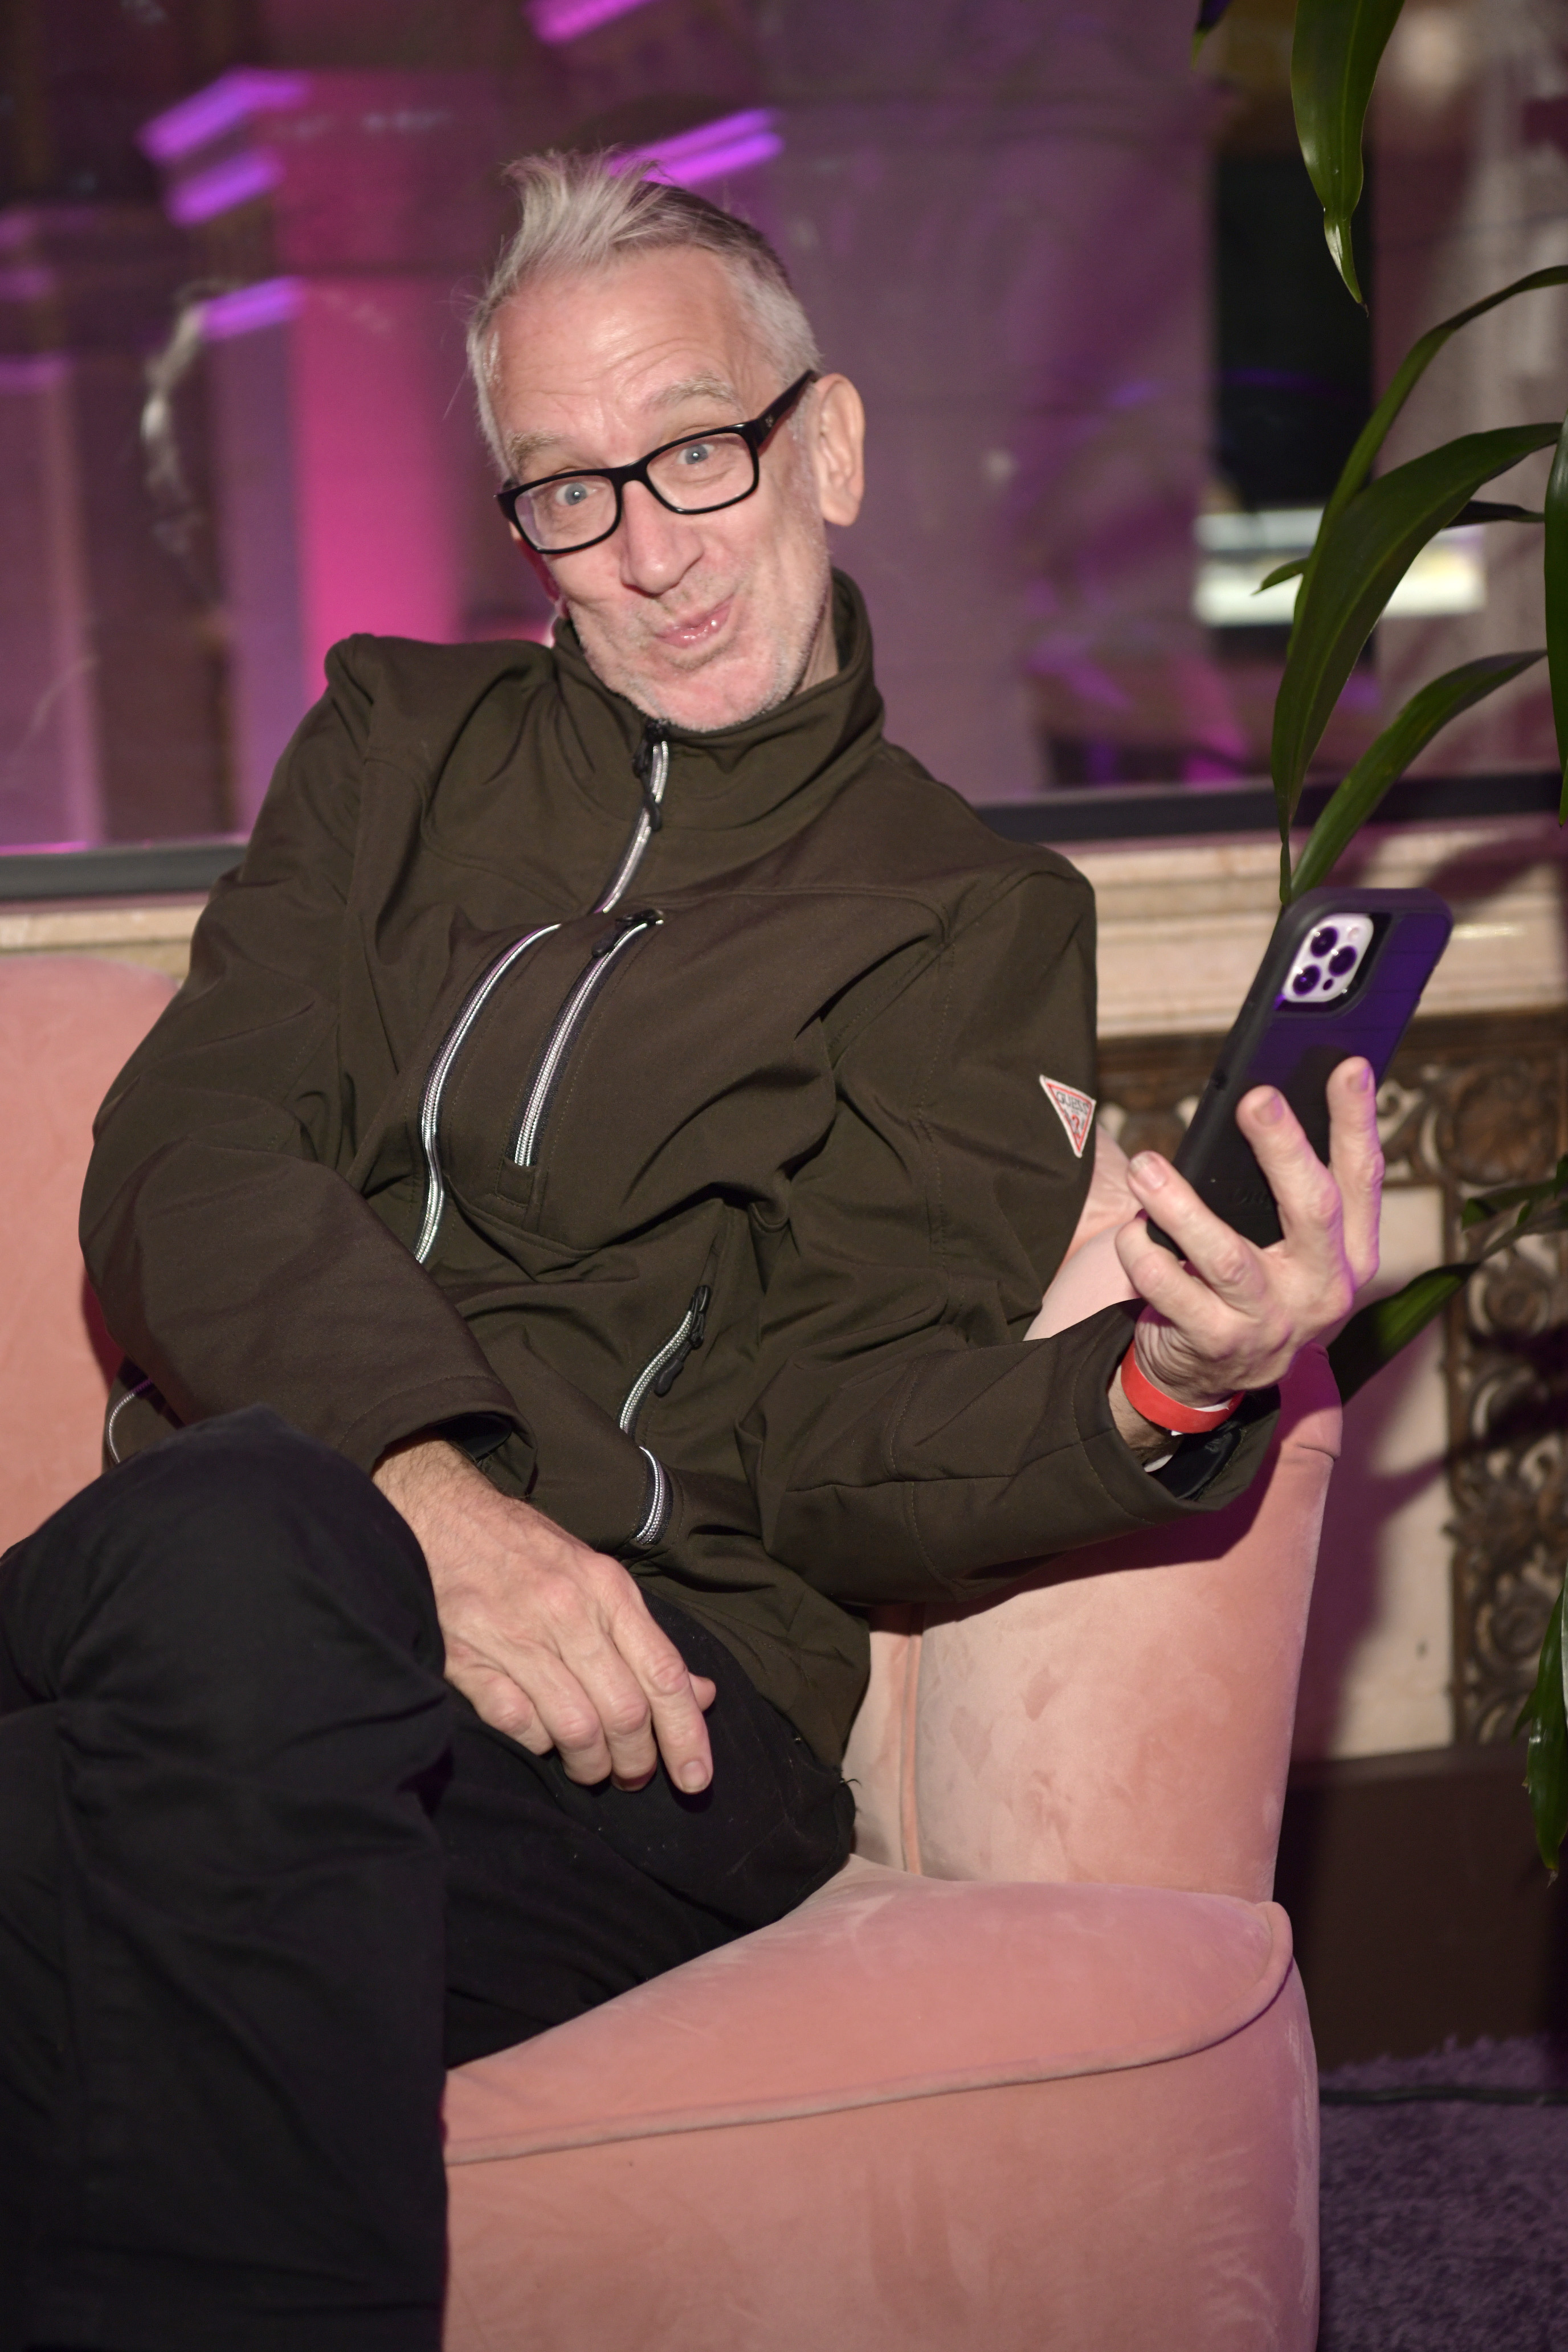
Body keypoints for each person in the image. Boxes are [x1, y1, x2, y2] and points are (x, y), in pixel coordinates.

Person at [0, 153, 1381, 2350]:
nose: (648, 551)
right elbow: (193, 1141)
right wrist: (428, 1495)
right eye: (569, 490)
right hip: (243, 1586)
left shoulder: (963, 916)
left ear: (824, 440)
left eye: (699, 453)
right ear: (515, 522)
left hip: (642, 1726)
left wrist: (1163, 1390)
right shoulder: (391, 745)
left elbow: (848, 1422)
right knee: (238, 1529)